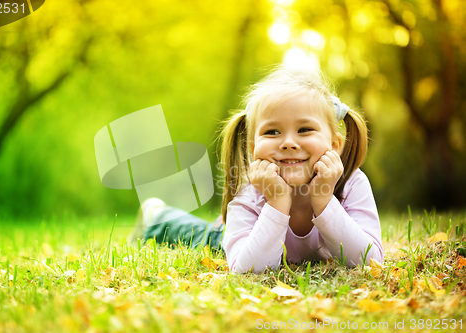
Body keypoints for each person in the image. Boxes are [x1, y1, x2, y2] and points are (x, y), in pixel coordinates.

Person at [129, 66, 384, 273]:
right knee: (203, 237)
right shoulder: (250, 193)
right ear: (254, 149)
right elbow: (246, 269)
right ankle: (157, 215)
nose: (288, 143)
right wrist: (277, 202)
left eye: (305, 129)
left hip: (298, 209)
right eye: (272, 132)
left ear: (335, 144)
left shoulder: (352, 184)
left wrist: (324, 200)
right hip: (245, 233)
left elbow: (370, 261)